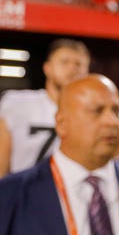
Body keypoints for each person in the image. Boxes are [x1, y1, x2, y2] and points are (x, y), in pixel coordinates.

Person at [0, 74, 119, 235]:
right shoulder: (10, 195)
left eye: (117, 111)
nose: (112, 122)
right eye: (97, 111)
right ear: (61, 124)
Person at [0, 38, 90, 178]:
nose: (72, 68)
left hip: (68, 195)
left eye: (79, 64)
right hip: (21, 193)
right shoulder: (17, 102)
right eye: (65, 62)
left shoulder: (93, 112)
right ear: (47, 68)